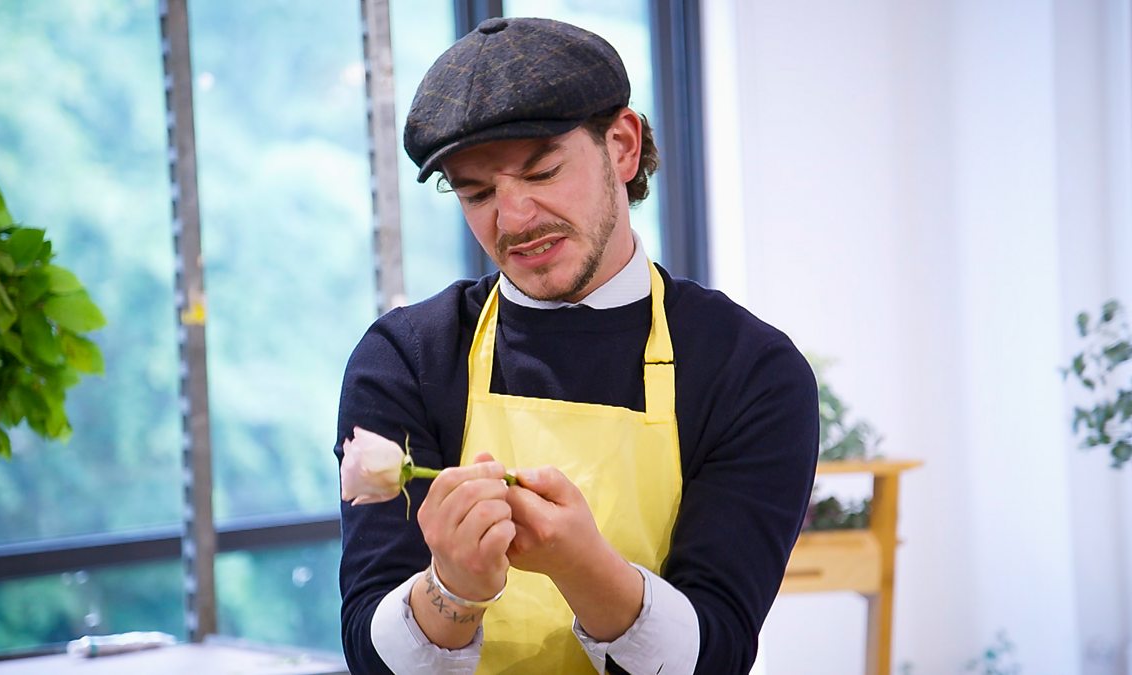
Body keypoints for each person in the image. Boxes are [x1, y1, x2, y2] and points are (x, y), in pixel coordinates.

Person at [336, 16, 818, 675]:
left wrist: (583, 566)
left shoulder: (750, 370)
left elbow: (718, 653)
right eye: (477, 192)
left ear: (622, 146)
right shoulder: (408, 359)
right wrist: (452, 590)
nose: (514, 218)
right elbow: (369, 653)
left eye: (541, 173)